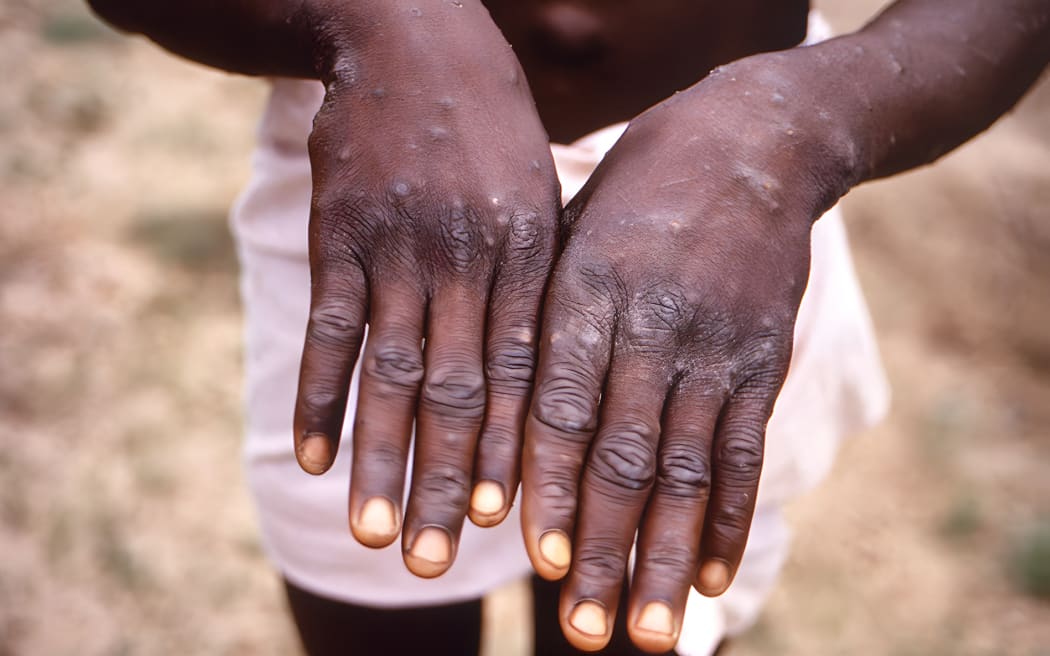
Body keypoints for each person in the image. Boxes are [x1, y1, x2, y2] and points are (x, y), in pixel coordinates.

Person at [85, 1, 1050, 654]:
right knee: (369, 611)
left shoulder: (769, 155)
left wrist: (794, 127)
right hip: (393, 170)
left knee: (639, 617)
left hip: (724, 221)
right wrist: (377, 18)